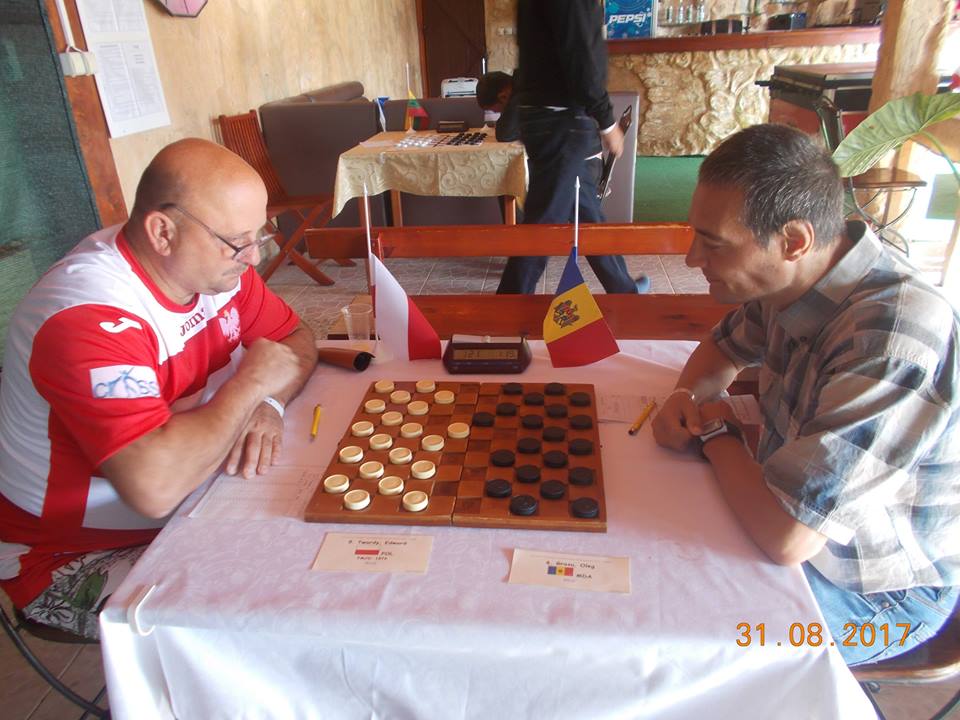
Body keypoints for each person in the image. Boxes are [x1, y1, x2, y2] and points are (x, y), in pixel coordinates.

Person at [652, 123, 960, 665]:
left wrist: (717, 432)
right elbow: (722, 350)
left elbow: (787, 538)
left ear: (793, 241)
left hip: (881, 594)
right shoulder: (799, 276)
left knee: (678, 643)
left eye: (713, 243)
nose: (691, 259)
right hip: (789, 515)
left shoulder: (892, 338)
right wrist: (686, 395)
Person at [0, 138, 318, 638]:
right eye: (238, 242)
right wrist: (252, 385)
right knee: (279, 609)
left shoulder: (216, 271)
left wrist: (269, 404)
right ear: (163, 232)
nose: (254, 258)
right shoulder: (89, 316)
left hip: (192, 499)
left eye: (259, 236)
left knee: (323, 537)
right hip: (68, 556)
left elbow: (295, 339)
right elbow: (156, 488)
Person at [496, 0, 648, 295]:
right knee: (543, 225)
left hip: (552, 117)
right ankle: (506, 309)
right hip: (561, 119)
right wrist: (607, 123)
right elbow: (580, 55)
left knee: (586, 212)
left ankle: (623, 289)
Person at [476, 71, 520, 143]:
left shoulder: (522, 93)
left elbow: (504, 135)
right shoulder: (519, 84)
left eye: (493, 110)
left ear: (503, 97)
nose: (496, 112)